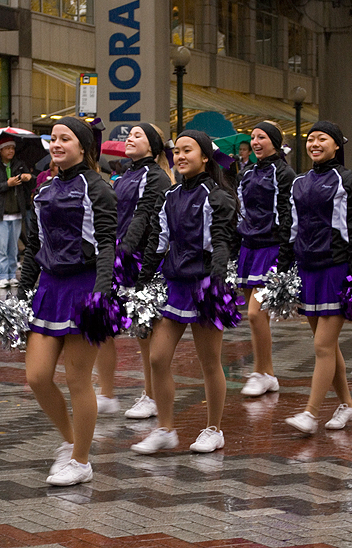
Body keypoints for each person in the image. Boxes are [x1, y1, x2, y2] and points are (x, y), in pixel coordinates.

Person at [17, 117, 116, 486]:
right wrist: (22, 293)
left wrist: (102, 293)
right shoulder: (42, 190)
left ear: (84, 146)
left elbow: (107, 244)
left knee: (77, 380)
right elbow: (34, 247)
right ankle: (71, 440)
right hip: (49, 289)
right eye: (53, 139)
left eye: (65, 139)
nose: (56, 144)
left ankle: (81, 460)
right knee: (37, 377)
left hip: (84, 287)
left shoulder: (98, 188)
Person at [131, 130, 236, 455]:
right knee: (158, 357)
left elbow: (221, 243)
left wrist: (217, 281)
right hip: (174, 286)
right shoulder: (171, 195)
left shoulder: (216, 196)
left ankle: (213, 429)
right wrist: (142, 280)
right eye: (176, 151)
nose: (180, 156)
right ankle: (165, 428)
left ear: (205, 157)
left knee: (209, 363)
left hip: (204, 285)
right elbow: (158, 243)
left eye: (187, 150)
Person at [280, 121, 352, 434]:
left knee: (322, 346)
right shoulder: (299, 182)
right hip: (307, 268)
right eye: (311, 139)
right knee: (327, 346)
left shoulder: (348, 180)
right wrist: (285, 266)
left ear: (337, 145)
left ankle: (310, 413)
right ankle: (348, 405)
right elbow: (290, 228)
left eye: (322, 138)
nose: (315, 143)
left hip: (335, 267)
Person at [93, 123, 173, 419]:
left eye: (137, 135)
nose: (130, 138)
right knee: (102, 324)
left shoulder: (156, 176)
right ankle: (107, 393)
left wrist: (124, 251)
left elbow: (144, 217)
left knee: (144, 330)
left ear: (152, 146)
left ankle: (151, 395)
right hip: (117, 253)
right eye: (129, 135)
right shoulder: (126, 174)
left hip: (140, 257)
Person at [234, 121, 295, 397]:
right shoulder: (246, 172)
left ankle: (262, 372)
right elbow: (240, 210)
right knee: (257, 317)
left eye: (262, 137)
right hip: (248, 247)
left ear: (274, 141)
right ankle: (266, 372)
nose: (256, 142)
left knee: (256, 314)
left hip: (271, 248)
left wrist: (284, 256)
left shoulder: (284, 173)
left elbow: (288, 216)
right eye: (253, 137)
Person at [0, 138, 34, 288]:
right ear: (0, 150)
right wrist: (7, 184)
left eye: (13, 148)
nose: (11, 150)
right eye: (7, 148)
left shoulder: (19, 164)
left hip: (17, 212)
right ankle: (1, 276)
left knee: (13, 247)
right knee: (0, 247)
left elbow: (32, 183)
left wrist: (29, 177)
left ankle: (11, 275)